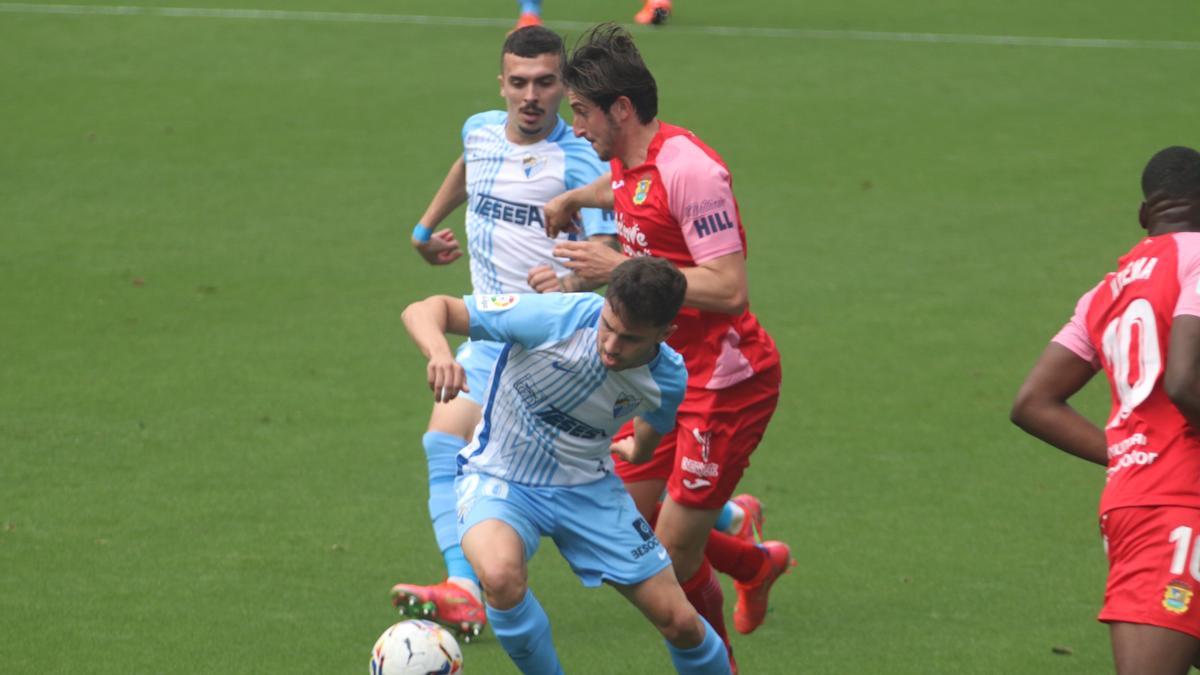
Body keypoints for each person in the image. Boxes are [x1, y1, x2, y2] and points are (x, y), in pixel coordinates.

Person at [541, 23, 792, 666]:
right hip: (668, 376)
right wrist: (574, 195)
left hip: (727, 383)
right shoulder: (630, 162)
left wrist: (613, 270)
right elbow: (623, 191)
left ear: (621, 110)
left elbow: (730, 289)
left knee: (672, 557)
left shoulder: (691, 171)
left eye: (582, 113)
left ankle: (719, 665)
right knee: (627, 522)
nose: (576, 129)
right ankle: (754, 564)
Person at [390, 25, 617, 641]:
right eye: (519, 83)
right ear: (502, 85)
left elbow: (606, 252)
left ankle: (728, 526)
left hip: (550, 347)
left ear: (563, 85)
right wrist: (425, 225)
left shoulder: (580, 161)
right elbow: (469, 168)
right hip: (490, 333)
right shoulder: (481, 128)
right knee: (446, 442)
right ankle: (464, 588)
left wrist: (567, 286)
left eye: (545, 82)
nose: (531, 96)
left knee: (593, 483)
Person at [401, 257, 732, 675]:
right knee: (500, 577)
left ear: (665, 334)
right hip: (501, 477)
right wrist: (439, 354)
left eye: (630, 339)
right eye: (608, 326)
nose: (611, 346)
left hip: (590, 491)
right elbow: (427, 309)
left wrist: (640, 452)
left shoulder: (668, 376)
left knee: (682, 623)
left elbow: (653, 425)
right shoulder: (553, 317)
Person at [1011, 145, 1200, 675]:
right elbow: (1185, 380)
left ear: (1146, 216)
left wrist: (1128, 454)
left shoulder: (1104, 292)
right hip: (1178, 508)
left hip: (1140, 504)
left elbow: (1034, 402)